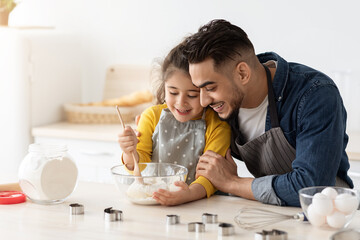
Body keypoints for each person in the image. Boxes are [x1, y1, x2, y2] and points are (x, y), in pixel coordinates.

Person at [184, 19, 353, 207]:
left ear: (242, 73)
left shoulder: (315, 94)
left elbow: (312, 187)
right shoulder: (220, 106)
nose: (203, 101)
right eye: (197, 89)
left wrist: (233, 183)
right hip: (270, 213)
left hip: (328, 215)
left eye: (210, 88)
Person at [117, 42, 231, 206]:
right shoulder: (152, 116)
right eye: (173, 92)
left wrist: (188, 194)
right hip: (155, 202)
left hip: (200, 204)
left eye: (192, 95)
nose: (181, 102)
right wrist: (129, 151)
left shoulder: (218, 127)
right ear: (164, 87)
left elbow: (211, 176)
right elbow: (138, 166)